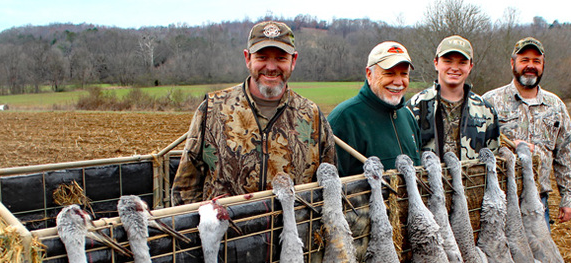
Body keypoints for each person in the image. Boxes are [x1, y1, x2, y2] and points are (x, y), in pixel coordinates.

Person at [171, 20, 335, 205]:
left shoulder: (312, 116)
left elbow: (328, 188)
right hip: (227, 232)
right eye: (262, 57)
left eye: (281, 58)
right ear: (247, 58)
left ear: (293, 61)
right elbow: (185, 189)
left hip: (292, 232)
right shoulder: (212, 109)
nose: (271, 67)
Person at [484, 37, 571, 227]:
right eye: (524, 60)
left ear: (543, 65)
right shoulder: (489, 102)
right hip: (499, 202)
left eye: (536, 61)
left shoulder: (555, 105)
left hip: (538, 203)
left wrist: (568, 197)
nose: (530, 66)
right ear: (513, 63)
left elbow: (566, 153)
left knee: (541, 256)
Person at [328, 41, 421, 176]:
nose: (398, 82)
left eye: (404, 74)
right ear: (369, 74)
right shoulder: (344, 119)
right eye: (389, 73)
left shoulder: (408, 116)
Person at [408, 35, 500, 162]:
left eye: (462, 62)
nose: (455, 68)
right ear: (436, 63)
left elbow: (494, 160)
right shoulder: (415, 107)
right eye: (448, 61)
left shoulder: (486, 111)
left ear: (470, 67)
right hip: (427, 181)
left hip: (472, 181)